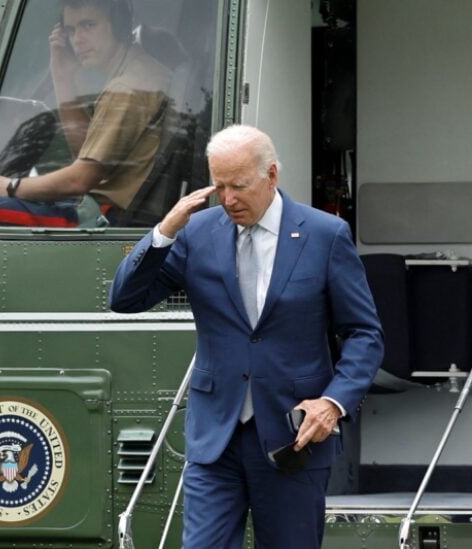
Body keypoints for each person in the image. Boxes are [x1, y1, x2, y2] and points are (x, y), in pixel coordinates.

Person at [109, 125, 383, 548]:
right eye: (218, 186)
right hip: (215, 438)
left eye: (238, 186)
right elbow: (126, 299)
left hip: (294, 437)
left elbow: (364, 334)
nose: (228, 199)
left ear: (271, 175)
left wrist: (333, 403)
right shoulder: (198, 233)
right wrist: (164, 231)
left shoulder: (325, 235)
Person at [0, 0, 170, 227]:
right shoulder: (137, 71)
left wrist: (11, 186)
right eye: (71, 30)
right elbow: (85, 151)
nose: (78, 40)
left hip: (108, 218)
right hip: (109, 208)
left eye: (89, 25)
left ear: (119, 25)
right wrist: (63, 77)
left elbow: (81, 178)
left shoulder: (127, 88)